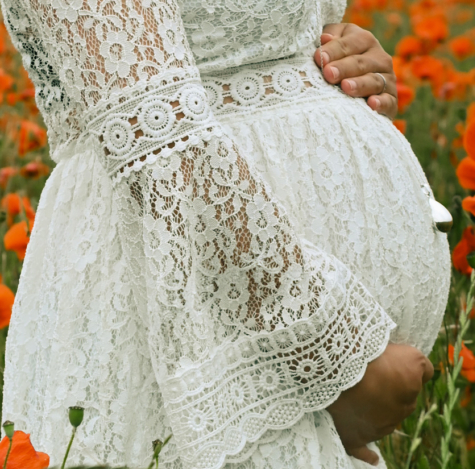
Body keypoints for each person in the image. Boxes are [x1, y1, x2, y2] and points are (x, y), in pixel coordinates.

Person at [0, 1, 451, 468]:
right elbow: (154, 132)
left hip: (273, 342)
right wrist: (335, 360)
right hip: (210, 331)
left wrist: (324, 63)